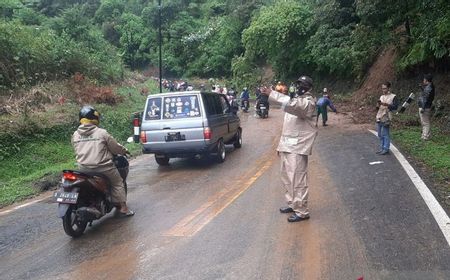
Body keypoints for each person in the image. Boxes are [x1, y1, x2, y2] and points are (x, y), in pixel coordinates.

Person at [260, 75, 318, 222]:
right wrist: (281, 145)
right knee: (287, 177)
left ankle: (302, 211)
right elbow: (287, 126)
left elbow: (293, 105)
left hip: (298, 147)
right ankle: (293, 204)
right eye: (298, 84)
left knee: (298, 179)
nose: (299, 87)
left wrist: (273, 93)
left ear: (309, 88)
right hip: (287, 145)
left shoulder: (308, 102)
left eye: (303, 85)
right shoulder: (295, 101)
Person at [72, 106, 135, 217]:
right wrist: (124, 151)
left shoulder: (75, 134)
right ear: (95, 118)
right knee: (117, 182)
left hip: (83, 169)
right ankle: (123, 208)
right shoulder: (101, 133)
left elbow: (76, 149)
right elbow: (115, 148)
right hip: (103, 168)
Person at [375, 82, 399, 155]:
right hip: (379, 116)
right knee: (379, 134)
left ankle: (386, 148)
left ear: (389, 88)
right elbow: (377, 108)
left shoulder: (393, 96)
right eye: (382, 88)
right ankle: (382, 147)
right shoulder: (381, 96)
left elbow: (395, 107)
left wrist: (386, 104)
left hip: (387, 116)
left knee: (385, 133)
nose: (383, 90)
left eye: (385, 88)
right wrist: (378, 105)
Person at [418, 74, 435, 140]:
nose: (423, 80)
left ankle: (425, 136)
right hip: (426, 106)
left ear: (426, 80)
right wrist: (421, 88)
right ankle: (426, 135)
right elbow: (425, 95)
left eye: (424, 79)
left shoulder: (429, 87)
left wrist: (423, 107)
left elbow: (426, 98)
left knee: (425, 122)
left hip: (425, 107)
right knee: (424, 121)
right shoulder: (429, 87)